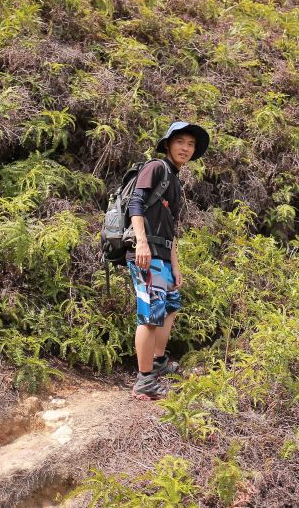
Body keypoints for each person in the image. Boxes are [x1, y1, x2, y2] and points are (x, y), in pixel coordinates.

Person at [128, 121, 209, 400]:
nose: (185, 148)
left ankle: (159, 361)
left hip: (162, 256)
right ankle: (144, 380)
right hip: (145, 254)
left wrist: (175, 264)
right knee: (150, 316)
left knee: (171, 306)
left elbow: (171, 227)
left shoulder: (173, 179)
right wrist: (141, 242)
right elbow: (135, 205)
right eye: (180, 142)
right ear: (167, 144)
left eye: (191, 144)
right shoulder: (156, 168)